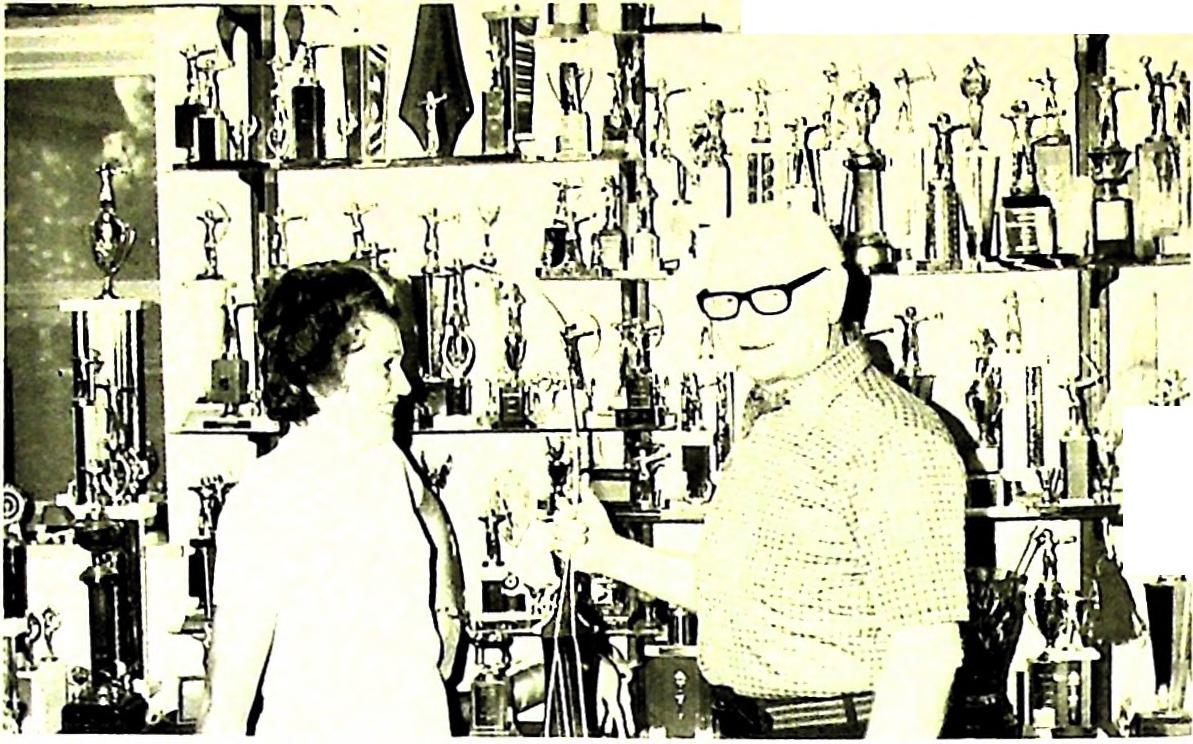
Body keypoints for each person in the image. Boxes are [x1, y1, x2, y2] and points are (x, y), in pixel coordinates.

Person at [552, 204, 969, 738]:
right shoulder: (775, 415)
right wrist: (608, 554)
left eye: (771, 297)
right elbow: (743, 597)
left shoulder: (892, 434)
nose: (744, 324)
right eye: (725, 302)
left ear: (831, 296)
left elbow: (926, 647)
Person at [199, 262, 463, 737]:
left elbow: (431, 512)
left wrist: (448, 609)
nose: (404, 387)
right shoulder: (267, 499)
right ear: (323, 374)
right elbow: (227, 700)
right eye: (386, 367)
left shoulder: (387, 463)